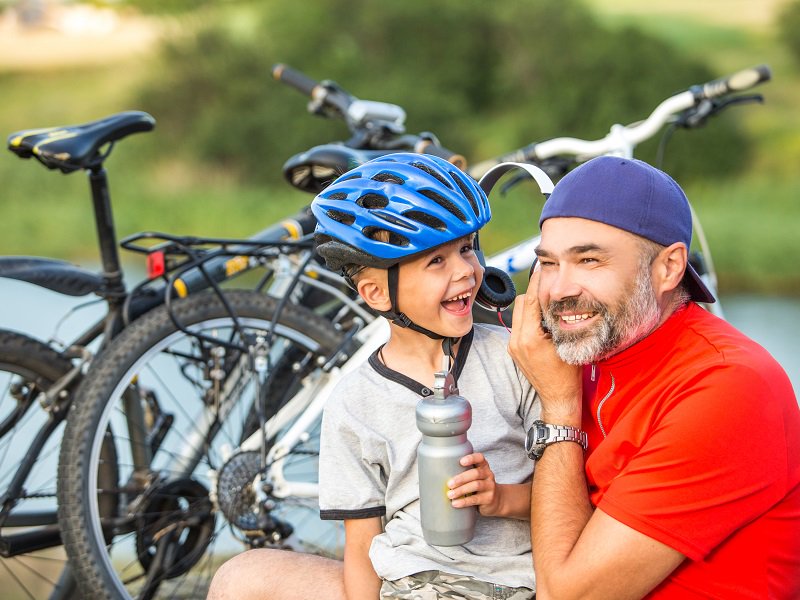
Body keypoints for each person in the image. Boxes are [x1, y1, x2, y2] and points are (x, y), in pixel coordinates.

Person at [208, 152, 539, 600]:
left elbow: (572, 498)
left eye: (466, 249)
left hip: (509, 584)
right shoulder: (354, 402)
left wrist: (501, 498)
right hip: (405, 584)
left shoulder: (514, 357)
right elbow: (362, 547)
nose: (465, 270)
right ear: (377, 292)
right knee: (239, 578)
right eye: (435, 262)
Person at [508, 155, 800, 599]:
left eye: (589, 260)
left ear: (668, 267)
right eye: (548, 263)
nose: (559, 290)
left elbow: (568, 595)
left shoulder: (728, 385)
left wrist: (560, 412)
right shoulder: (590, 350)